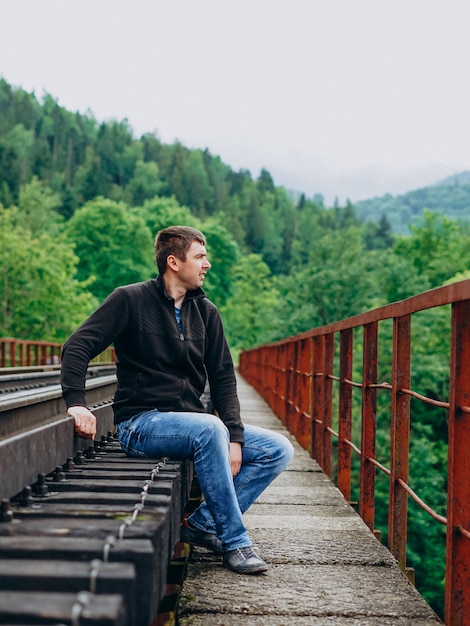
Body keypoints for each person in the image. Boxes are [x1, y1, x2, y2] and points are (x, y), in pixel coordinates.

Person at [61, 225, 294, 575]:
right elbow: (77, 346)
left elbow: (223, 379)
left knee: (278, 449)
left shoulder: (206, 313)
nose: (207, 264)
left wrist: (235, 436)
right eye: (200, 256)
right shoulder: (130, 300)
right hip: (141, 424)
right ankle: (235, 541)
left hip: (195, 424)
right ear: (173, 262)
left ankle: (202, 524)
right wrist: (77, 402)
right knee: (208, 429)